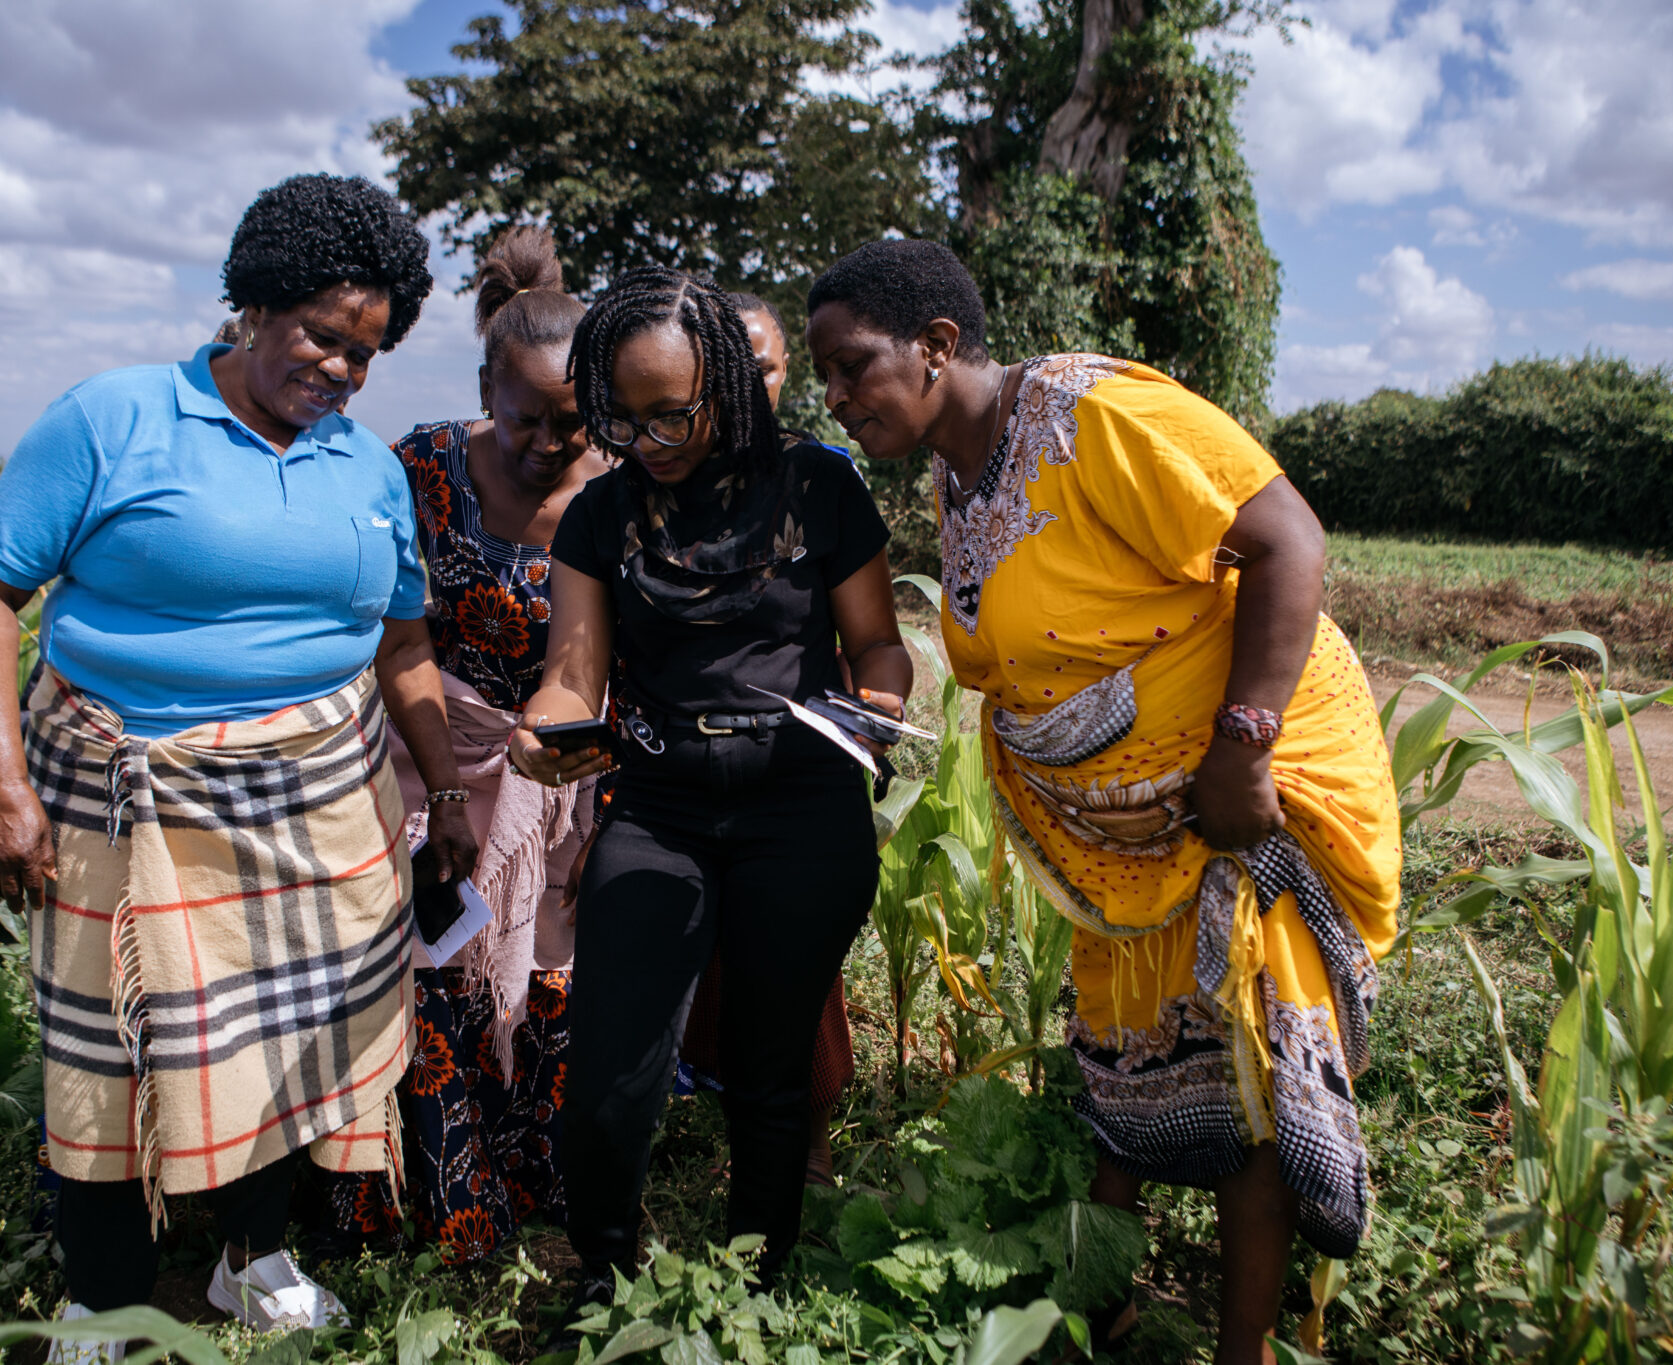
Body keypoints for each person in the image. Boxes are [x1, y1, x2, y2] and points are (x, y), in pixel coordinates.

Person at [803, 239, 1400, 1365]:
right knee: (1131, 1044)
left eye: (849, 367)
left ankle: (1241, 1351)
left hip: (1247, 790)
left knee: (1252, 1059)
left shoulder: (1094, 417)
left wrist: (1239, 749)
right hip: (1125, 835)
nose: (832, 396)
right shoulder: (957, 467)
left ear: (934, 347)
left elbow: (1287, 542)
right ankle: (1108, 1304)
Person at [0, 173, 478, 1355]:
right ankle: (103, 1299)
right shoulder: (114, 418)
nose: (340, 370)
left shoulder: (364, 470)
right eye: (321, 337)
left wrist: (443, 790)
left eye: (366, 353)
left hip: (316, 800)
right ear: (251, 304)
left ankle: (254, 1259)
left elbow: (401, 646)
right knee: (108, 1054)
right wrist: (0, 788)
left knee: (291, 1034)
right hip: (125, 796)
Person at [508, 267, 912, 1333]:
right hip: (660, 807)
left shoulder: (821, 490)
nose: (652, 439)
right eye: (626, 418)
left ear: (727, 384)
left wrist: (873, 708)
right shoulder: (600, 515)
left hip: (802, 805)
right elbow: (572, 669)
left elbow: (875, 643)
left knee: (771, 1070)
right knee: (608, 1072)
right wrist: (547, 726)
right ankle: (603, 1278)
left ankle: (756, 1278)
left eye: (674, 411)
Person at [316, 226, 611, 1266]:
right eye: (525, 417)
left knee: (541, 984)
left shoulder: (617, 491)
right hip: (426, 765)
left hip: (553, 786)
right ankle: (451, 1213)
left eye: (573, 425)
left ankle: (534, 1184)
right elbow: (390, 633)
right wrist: (442, 786)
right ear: (487, 383)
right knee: (432, 982)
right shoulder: (423, 464)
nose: (546, 443)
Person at [674, 290, 859, 1188]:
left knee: (798, 973)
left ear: (786, 378)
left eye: (767, 366)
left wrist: (870, 726)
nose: (749, 383)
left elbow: (869, 639)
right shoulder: (661, 483)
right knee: (708, 960)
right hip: (687, 771)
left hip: (796, 769)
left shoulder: (822, 478)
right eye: (728, 366)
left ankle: (807, 1144)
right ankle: (731, 1125)